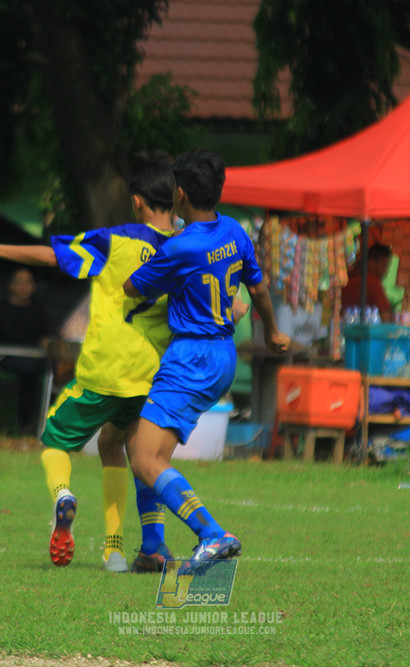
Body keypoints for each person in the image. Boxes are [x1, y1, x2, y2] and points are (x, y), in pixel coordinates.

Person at [0, 151, 177, 574]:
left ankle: (64, 497)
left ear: (137, 200)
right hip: (149, 378)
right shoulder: (184, 249)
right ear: (174, 200)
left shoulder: (116, 240)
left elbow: (50, 256)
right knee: (112, 446)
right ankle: (115, 551)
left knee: (54, 443)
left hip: (104, 371)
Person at [123, 148, 290, 571]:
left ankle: (213, 534)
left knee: (145, 459)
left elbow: (131, 287)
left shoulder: (181, 248)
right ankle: (153, 549)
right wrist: (271, 331)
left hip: (190, 356)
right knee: (142, 451)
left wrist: (161, 249)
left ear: (179, 193)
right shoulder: (233, 231)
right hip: (223, 354)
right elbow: (259, 291)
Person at [0, 267, 50, 437]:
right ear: (11, 286)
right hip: (7, 357)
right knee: (28, 373)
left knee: (56, 373)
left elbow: (44, 340)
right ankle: (26, 423)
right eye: (19, 283)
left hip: (34, 358)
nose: (23, 287)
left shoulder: (38, 309)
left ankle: (51, 422)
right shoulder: (0, 308)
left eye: (28, 283)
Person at [340, 243, 394, 322]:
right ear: (372, 263)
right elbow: (386, 317)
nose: (385, 271)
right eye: (384, 266)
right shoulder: (372, 283)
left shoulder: (347, 280)